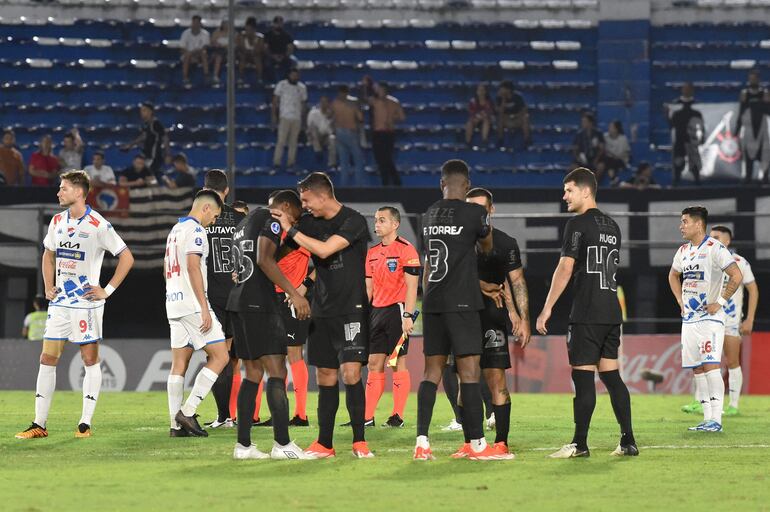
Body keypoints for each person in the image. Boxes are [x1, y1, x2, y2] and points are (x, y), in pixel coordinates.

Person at [15, 170, 134, 440]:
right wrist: (48, 285)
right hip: (60, 304)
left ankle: (84, 423)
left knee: (89, 360)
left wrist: (107, 290)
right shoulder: (57, 221)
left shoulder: (98, 224)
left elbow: (126, 257)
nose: (58, 192)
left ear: (79, 192)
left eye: (64, 188)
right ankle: (39, 423)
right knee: (47, 358)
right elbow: (48, 253)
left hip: (86, 305)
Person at [270, 172, 373, 459]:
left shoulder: (353, 220)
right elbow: (278, 252)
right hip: (321, 310)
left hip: (351, 308)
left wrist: (291, 230)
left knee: (351, 373)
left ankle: (359, 442)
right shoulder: (309, 224)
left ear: (322, 195)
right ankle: (324, 444)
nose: (304, 206)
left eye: (306, 200)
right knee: (325, 375)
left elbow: (326, 250)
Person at [536, 167, 637, 458]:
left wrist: (546, 309)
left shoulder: (577, 224)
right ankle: (628, 440)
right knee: (612, 377)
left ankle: (580, 444)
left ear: (585, 191)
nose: (564, 195)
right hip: (610, 312)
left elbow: (566, 267)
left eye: (569, 190)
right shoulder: (612, 226)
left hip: (587, 312)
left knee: (583, 378)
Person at [412, 159, 507, 461]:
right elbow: (488, 245)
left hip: (433, 301)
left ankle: (422, 441)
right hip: (463, 302)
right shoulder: (475, 212)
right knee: (468, 372)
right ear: (467, 186)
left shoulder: (428, 215)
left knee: (431, 372)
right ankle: (477, 444)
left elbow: (432, 260)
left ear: (441, 184)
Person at [228, 190, 311, 459]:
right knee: (277, 372)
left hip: (238, 303)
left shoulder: (244, 223)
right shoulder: (272, 219)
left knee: (251, 373)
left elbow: (246, 262)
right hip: (260, 304)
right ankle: (282, 444)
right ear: (285, 206)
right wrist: (295, 293)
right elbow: (264, 259)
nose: (293, 224)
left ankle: (243, 446)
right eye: (295, 217)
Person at [461, 187, 531, 457]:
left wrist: (524, 319)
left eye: (481, 208)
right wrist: (481, 286)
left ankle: (501, 442)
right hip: (463, 318)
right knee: (464, 383)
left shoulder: (505, 242)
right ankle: (470, 443)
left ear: (491, 210)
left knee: (496, 381)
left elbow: (517, 282)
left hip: (491, 319)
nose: (477, 213)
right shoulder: (459, 243)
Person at [668, 206, 742, 432]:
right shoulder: (683, 251)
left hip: (710, 319)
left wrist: (719, 301)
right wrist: (680, 301)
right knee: (697, 369)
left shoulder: (714, 248)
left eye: (685, 222)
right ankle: (707, 418)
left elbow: (736, 276)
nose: (681, 226)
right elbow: (673, 275)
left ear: (698, 224)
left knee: (711, 365)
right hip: (689, 320)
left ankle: (717, 420)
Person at [164, 190, 229, 438]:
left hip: (173, 303)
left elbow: (166, 270)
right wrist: (204, 307)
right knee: (220, 356)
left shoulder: (174, 231)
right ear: (205, 209)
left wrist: (173, 296)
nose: (213, 221)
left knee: (179, 363)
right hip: (193, 304)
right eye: (214, 215)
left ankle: (175, 425)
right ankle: (188, 411)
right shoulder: (196, 231)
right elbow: (193, 266)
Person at [681, 225, 758, 417]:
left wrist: (749, 318)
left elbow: (753, 290)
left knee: (732, 361)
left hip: (730, 320)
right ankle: (700, 402)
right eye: (711, 235)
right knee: (701, 361)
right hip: (708, 319)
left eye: (716, 236)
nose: (711, 238)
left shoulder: (739, 262)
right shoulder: (706, 258)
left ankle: (733, 405)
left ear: (727, 241)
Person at [194, 170, 246, 430]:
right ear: (226, 191)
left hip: (211, 297)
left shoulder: (200, 217)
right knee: (235, 358)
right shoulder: (240, 218)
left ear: (205, 188)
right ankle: (235, 415)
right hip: (238, 296)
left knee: (216, 357)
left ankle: (224, 415)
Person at [361, 206, 420, 428]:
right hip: (376, 312)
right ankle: (367, 417)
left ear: (395, 224)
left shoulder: (407, 250)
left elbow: (412, 287)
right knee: (374, 362)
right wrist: (363, 314)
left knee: (397, 362)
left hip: (397, 311)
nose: (376, 224)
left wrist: (407, 315)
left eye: (382, 220)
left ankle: (397, 416)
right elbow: (368, 289)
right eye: (376, 220)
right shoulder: (372, 253)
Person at [269, 190, 313, 427]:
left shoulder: (300, 233)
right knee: (273, 357)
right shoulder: (276, 231)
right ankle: (277, 412)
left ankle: (301, 414)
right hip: (271, 299)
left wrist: (303, 286)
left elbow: (322, 261)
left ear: (285, 207)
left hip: (291, 300)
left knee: (295, 354)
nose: (270, 212)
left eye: (272, 207)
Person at [366, 82, 406, 186]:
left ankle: (389, 183)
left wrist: (392, 118)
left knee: (386, 159)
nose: (379, 92)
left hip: (388, 133)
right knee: (381, 159)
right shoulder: (374, 101)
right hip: (377, 133)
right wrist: (367, 86)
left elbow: (402, 117)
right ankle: (394, 182)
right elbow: (365, 99)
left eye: (381, 90)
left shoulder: (393, 102)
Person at [668, 83, 704, 186]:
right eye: (684, 89)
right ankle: (676, 184)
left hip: (692, 139)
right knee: (678, 162)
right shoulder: (676, 104)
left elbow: (701, 123)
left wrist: (701, 137)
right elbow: (671, 123)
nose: (686, 91)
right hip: (679, 138)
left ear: (692, 91)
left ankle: (698, 184)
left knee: (694, 163)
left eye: (688, 89)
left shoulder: (697, 105)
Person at [737, 69, 770, 183]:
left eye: (755, 78)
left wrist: (767, 102)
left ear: (758, 80)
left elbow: (768, 112)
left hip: (762, 129)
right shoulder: (745, 93)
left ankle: (765, 178)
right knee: (749, 156)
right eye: (751, 79)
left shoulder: (764, 93)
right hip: (749, 130)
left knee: (765, 155)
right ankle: (748, 178)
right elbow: (741, 112)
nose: (753, 80)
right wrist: (737, 130)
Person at [272, 68, 307, 170]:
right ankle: (277, 162)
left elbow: (304, 104)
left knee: (293, 142)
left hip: (296, 117)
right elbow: (275, 100)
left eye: (296, 75)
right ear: (289, 75)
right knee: (281, 141)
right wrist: (274, 115)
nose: (294, 77)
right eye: (293, 75)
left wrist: (303, 119)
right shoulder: (282, 85)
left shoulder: (302, 87)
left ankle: (291, 162)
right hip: (285, 116)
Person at [121, 102, 169, 177]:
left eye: (144, 110)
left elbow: (165, 137)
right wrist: (130, 145)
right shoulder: (146, 124)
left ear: (150, 111)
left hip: (154, 157)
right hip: (147, 156)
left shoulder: (155, 123)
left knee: (149, 176)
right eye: (141, 111)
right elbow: (143, 136)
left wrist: (168, 154)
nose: (141, 113)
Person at [332, 85, 365, 187]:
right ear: (347, 92)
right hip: (350, 132)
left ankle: (344, 186)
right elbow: (360, 117)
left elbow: (330, 117)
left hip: (339, 132)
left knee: (343, 162)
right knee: (358, 160)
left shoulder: (334, 103)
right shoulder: (352, 103)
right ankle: (359, 186)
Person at [571, 113, 607, 182]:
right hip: (583, 158)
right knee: (573, 167)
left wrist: (596, 159)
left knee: (601, 166)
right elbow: (575, 149)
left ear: (590, 123)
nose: (583, 123)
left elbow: (602, 148)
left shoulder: (598, 133)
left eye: (585, 122)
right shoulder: (579, 134)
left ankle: (594, 184)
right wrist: (578, 157)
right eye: (582, 122)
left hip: (595, 158)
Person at [495, 80, 531, 148]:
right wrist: (503, 100)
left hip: (517, 118)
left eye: (502, 88)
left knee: (526, 118)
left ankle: (527, 140)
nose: (500, 90)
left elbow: (524, 110)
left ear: (508, 89)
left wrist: (517, 116)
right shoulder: (499, 98)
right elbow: (499, 112)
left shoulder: (517, 97)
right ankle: (500, 139)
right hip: (506, 119)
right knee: (499, 119)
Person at [307, 96, 336, 168]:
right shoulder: (313, 113)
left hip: (325, 137)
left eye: (325, 102)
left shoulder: (331, 115)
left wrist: (330, 118)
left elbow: (331, 131)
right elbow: (309, 127)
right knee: (313, 129)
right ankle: (318, 150)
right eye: (322, 102)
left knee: (332, 138)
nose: (323, 104)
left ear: (329, 104)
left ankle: (332, 164)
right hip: (314, 137)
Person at [180, 15, 210, 84]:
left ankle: (206, 75)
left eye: (197, 22)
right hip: (188, 54)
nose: (195, 24)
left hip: (200, 55)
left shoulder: (205, 34)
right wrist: (190, 54)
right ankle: (185, 77)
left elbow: (205, 47)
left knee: (203, 53)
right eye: (194, 22)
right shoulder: (185, 33)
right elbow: (182, 48)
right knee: (187, 55)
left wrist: (195, 54)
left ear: (200, 24)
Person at [264, 16, 295, 83]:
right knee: (267, 64)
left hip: (283, 56)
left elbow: (290, 48)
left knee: (292, 63)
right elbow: (265, 48)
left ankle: (286, 81)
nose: (279, 25)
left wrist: (284, 56)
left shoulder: (286, 35)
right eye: (277, 23)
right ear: (273, 24)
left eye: (280, 23)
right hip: (271, 56)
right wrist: (273, 56)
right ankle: (271, 82)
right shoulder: (268, 35)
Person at [236, 17, 264, 84]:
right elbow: (240, 47)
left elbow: (259, 50)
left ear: (254, 29)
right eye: (247, 29)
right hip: (244, 54)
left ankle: (259, 78)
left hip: (255, 55)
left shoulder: (260, 38)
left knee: (257, 58)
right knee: (242, 57)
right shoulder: (241, 36)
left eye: (251, 29)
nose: (249, 31)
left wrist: (253, 49)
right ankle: (240, 77)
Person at [604, 120, 630, 186]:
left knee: (612, 161)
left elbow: (623, 153)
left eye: (611, 127)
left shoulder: (623, 139)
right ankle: (613, 179)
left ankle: (613, 179)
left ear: (616, 129)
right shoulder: (605, 137)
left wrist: (613, 155)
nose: (609, 128)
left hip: (621, 160)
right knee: (608, 160)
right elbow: (604, 151)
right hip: (609, 159)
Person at [209, 20, 230, 85]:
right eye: (224, 24)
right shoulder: (216, 33)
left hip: (230, 53)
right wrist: (216, 44)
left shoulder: (234, 33)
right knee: (218, 56)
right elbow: (212, 43)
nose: (226, 25)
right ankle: (215, 76)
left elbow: (236, 44)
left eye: (227, 24)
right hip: (218, 52)